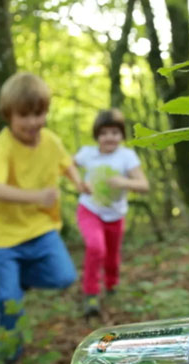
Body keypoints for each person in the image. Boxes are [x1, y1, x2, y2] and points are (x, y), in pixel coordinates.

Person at [0, 72, 86, 364]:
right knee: (9, 301)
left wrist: (79, 183)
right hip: (4, 236)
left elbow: (66, 163)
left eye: (39, 114)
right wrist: (36, 196)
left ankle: (22, 278)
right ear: (8, 116)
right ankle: (9, 355)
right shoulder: (5, 144)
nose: (32, 123)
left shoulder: (50, 140)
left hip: (41, 227)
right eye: (24, 116)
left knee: (64, 276)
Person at [74, 109, 149, 317]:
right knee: (96, 247)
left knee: (112, 256)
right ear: (97, 134)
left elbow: (144, 185)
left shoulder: (127, 157)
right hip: (89, 209)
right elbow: (67, 166)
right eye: (104, 133)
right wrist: (79, 183)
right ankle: (91, 294)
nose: (109, 137)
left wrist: (124, 182)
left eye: (115, 133)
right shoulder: (87, 153)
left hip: (115, 215)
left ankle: (112, 284)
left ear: (121, 135)